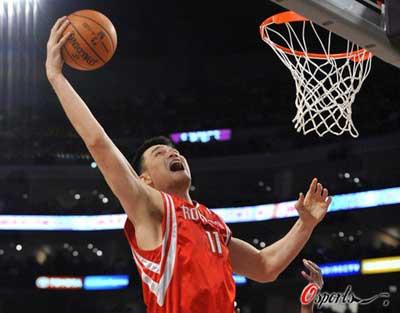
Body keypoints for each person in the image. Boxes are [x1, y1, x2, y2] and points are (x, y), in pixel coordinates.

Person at [46, 17, 332, 313]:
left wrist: (305, 224)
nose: (173, 154)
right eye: (159, 153)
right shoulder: (151, 210)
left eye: (174, 151)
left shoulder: (213, 223)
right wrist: (57, 77)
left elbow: (264, 266)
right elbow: (99, 144)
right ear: (144, 180)